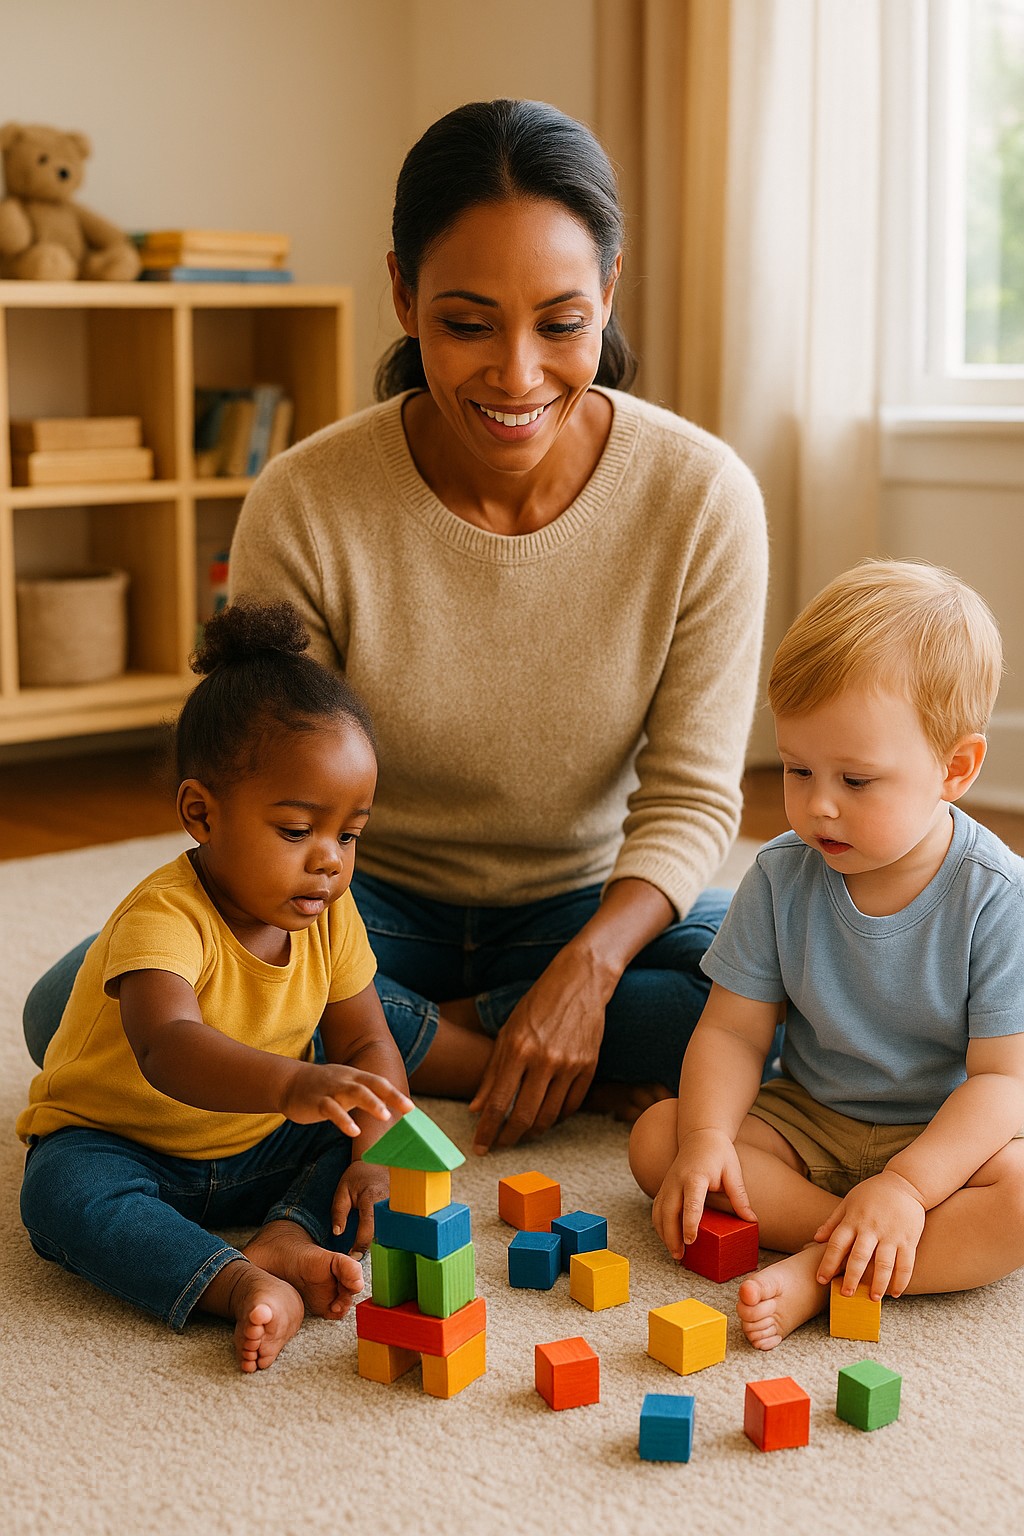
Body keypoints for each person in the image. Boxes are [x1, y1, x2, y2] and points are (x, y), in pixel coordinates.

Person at [23, 99, 769, 1155]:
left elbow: (693, 796)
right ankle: (467, 1050)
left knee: (793, 997)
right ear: (403, 296)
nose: (517, 376)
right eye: (467, 324)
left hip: (585, 902)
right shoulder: (309, 497)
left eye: (560, 324)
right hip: (346, 903)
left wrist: (587, 972)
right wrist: (341, 966)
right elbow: (262, 785)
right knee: (74, 1012)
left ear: (607, 292)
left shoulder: (701, 498)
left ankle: (437, 1036)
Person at [628, 559, 1024, 1350]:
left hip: (939, 1140)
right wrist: (709, 1138)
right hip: (808, 1121)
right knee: (660, 1139)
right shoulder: (780, 874)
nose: (817, 804)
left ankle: (819, 1270)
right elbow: (734, 1033)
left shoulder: (997, 894)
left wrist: (909, 1187)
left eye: (857, 779)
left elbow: (1002, 1083)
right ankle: (853, 1244)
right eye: (797, 769)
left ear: (955, 769)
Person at [18, 602, 413, 1373]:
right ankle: (235, 1284)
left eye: (349, 834)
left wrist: (375, 1147)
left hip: (258, 1143)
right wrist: (293, 1080)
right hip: (125, 1144)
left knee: (369, 1151)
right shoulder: (163, 915)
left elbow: (367, 1043)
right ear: (202, 813)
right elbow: (170, 1046)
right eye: (298, 831)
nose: (329, 860)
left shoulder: (331, 914)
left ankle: (288, 1239)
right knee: (58, 1195)